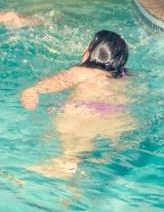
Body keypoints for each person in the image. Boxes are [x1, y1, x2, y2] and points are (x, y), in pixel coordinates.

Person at [20, 30, 132, 176]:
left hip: (83, 111)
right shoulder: (123, 77)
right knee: (86, 150)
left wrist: (33, 90)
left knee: (71, 152)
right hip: (116, 116)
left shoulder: (82, 71)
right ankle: (76, 181)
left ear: (89, 53)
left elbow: (58, 82)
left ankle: (65, 167)